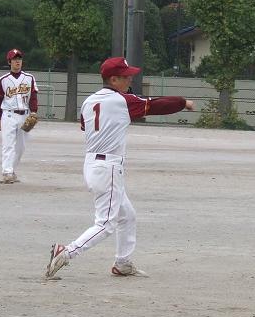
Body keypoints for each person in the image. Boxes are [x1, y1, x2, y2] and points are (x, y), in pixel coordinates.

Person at [45, 56, 194, 279]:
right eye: (126, 76)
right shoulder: (120, 100)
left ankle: (122, 263)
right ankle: (66, 252)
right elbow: (156, 105)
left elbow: (85, 126)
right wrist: (183, 102)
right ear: (113, 79)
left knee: (127, 216)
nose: (130, 79)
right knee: (106, 224)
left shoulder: (89, 101)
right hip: (109, 168)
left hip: (92, 164)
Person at [0, 48, 38, 184]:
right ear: (9, 62)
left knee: (21, 147)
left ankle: (11, 170)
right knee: (8, 145)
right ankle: (7, 172)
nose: (17, 61)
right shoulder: (3, 80)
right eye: (14, 59)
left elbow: (33, 97)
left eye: (19, 59)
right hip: (8, 115)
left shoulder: (29, 78)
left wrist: (34, 111)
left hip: (24, 115)